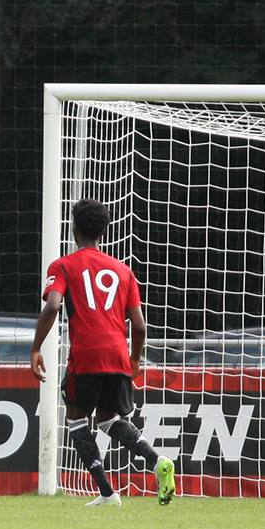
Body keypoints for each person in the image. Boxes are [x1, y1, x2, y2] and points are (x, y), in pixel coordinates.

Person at [30, 198, 176, 506]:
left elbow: (54, 305)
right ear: (104, 231)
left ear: (74, 229)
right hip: (118, 355)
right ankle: (156, 462)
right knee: (109, 420)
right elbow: (139, 324)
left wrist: (36, 347)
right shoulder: (124, 272)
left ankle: (107, 493)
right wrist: (134, 358)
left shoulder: (63, 266)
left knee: (76, 419)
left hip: (86, 356)